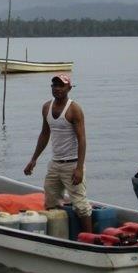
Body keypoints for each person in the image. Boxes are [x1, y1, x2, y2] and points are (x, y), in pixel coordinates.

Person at [24, 74, 93, 233]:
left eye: (61, 86)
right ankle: (56, 235)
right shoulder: (46, 107)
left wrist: (79, 168)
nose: (57, 89)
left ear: (69, 88)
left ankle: (89, 239)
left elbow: (82, 139)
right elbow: (44, 134)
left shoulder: (74, 109)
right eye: (54, 85)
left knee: (81, 205)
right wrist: (33, 159)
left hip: (72, 164)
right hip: (55, 164)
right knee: (50, 201)